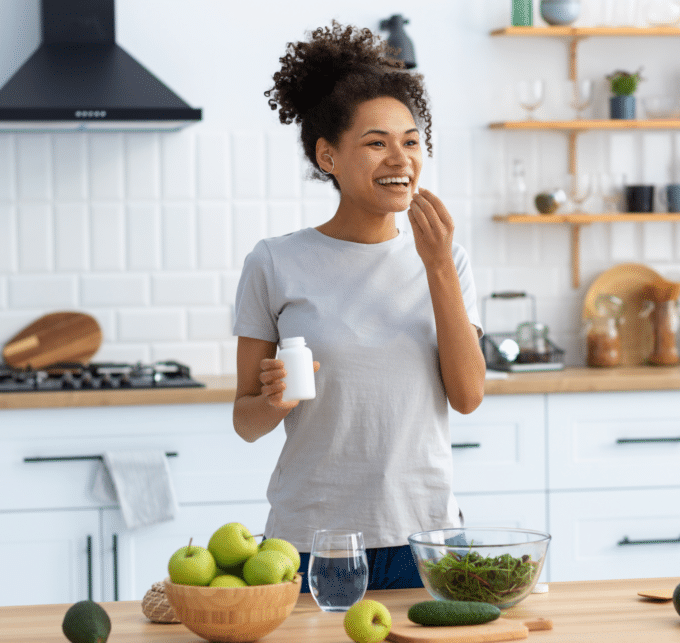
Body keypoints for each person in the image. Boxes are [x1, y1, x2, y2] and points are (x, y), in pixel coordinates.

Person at [232, 21, 486, 592]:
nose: (400, 157)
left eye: (411, 140)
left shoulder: (448, 259)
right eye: (376, 142)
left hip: (428, 537)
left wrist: (438, 265)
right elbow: (245, 422)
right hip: (311, 544)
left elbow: (468, 396)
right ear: (329, 156)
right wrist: (274, 400)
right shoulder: (274, 263)